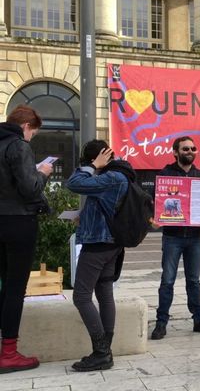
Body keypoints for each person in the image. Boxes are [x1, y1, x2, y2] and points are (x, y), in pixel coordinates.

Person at [66, 140, 132, 371]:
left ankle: (102, 351)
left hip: (99, 244)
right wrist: (83, 215)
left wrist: (93, 165)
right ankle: (105, 350)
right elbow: (102, 203)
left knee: (81, 297)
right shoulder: (118, 175)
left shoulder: (112, 177)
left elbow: (74, 183)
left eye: (88, 160)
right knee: (104, 293)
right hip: (110, 243)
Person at [0, 105, 52, 373]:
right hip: (19, 222)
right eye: (33, 132)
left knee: (3, 283)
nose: (32, 138)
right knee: (14, 288)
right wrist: (42, 172)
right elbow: (30, 189)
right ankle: (8, 352)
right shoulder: (18, 146)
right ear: (25, 126)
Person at [150, 136, 200, 340]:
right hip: (172, 236)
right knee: (167, 280)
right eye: (185, 148)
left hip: (195, 237)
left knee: (194, 281)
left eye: (193, 148)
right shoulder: (165, 174)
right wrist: (153, 217)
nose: (190, 151)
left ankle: (199, 319)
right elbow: (155, 202)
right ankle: (161, 323)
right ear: (175, 152)